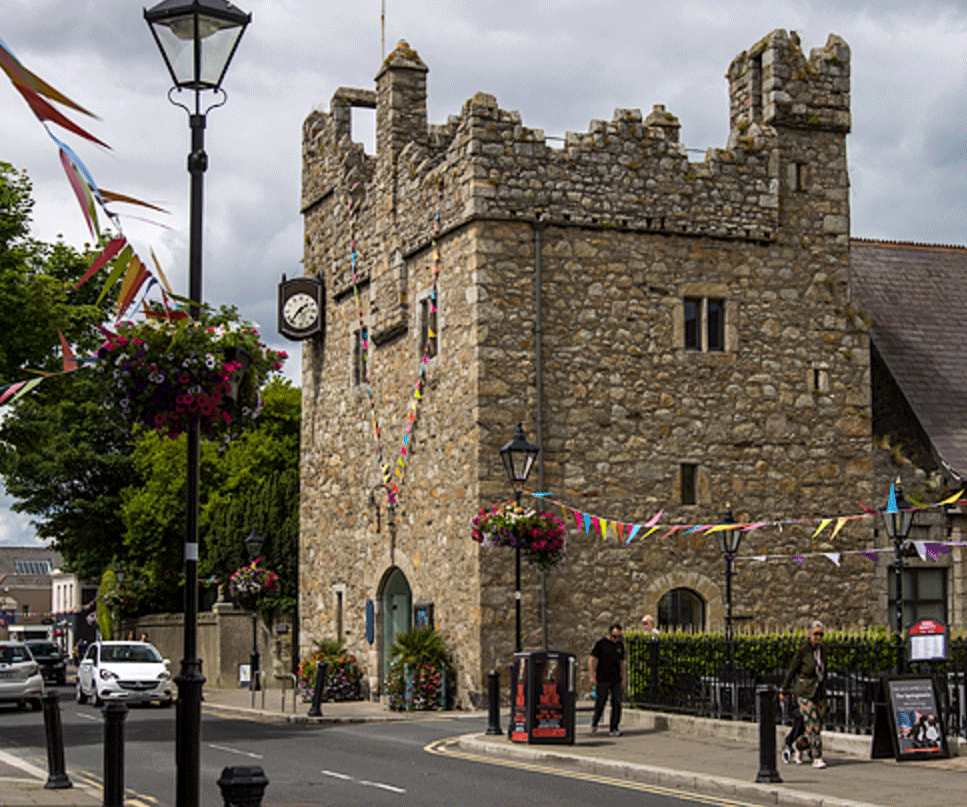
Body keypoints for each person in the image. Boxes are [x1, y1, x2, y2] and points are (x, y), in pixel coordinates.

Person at [780, 620, 828, 769]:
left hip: (818, 692)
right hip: (805, 692)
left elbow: (823, 673)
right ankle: (816, 758)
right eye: (815, 634)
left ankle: (797, 746)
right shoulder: (803, 651)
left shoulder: (823, 651)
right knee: (812, 725)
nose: (818, 637)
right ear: (809, 634)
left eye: (821, 634)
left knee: (816, 727)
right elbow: (792, 671)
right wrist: (784, 690)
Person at [589, 622, 626, 737]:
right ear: (609, 634)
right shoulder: (601, 644)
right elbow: (591, 659)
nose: (616, 639)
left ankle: (614, 727)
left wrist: (624, 678)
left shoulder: (620, 645)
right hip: (603, 677)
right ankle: (595, 721)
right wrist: (592, 675)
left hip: (615, 678)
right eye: (614, 636)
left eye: (619, 636)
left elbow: (622, 663)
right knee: (601, 701)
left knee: (616, 702)